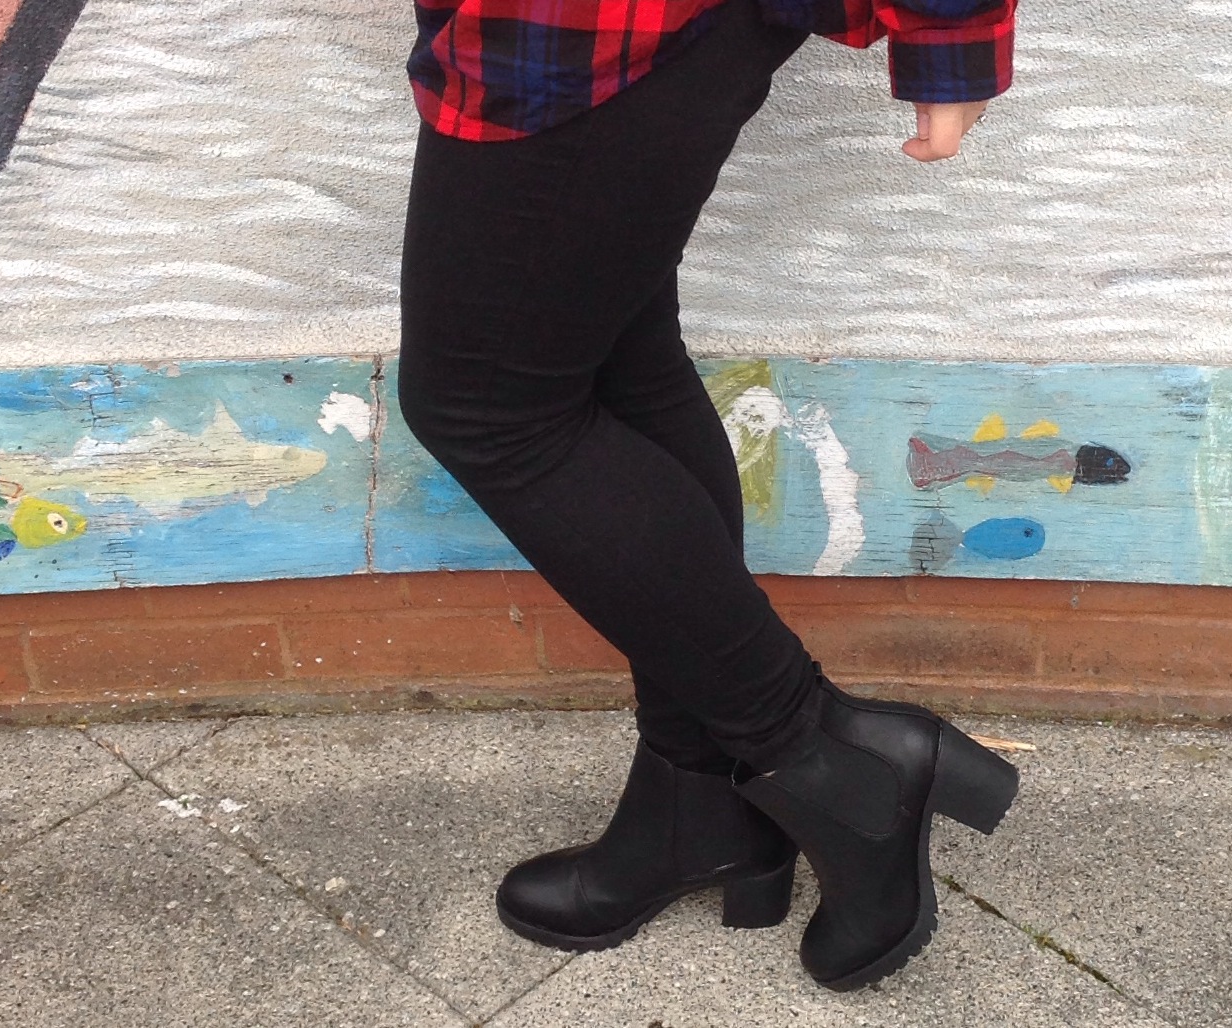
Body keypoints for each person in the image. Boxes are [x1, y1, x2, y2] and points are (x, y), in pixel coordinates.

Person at [398, 0, 1019, 992]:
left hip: (595, 25)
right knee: (614, 364)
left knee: (489, 409)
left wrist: (953, 33)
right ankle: (699, 807)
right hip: (574, 27)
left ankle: (827, 753)